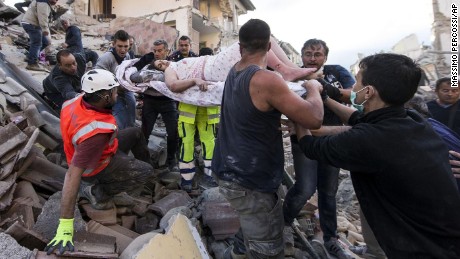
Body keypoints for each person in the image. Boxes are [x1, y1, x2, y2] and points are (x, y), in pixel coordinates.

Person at [292, 53, 460, 258]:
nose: (353, 87)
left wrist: (301, 113)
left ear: (369, 91)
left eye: (358, 81)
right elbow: (359, 119)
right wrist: (326, 97)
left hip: (425, 249)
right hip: (445, 236)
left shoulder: (369, 140)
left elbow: (310, 146)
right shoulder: (411, 118)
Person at [211, 19, 324, 259]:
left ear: (240, 48)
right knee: (268, 250)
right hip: (250, 182)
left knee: (249, 223)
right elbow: (314, 118)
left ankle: (238, 252)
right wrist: (313, 87)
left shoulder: (235, 71)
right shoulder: (267, 80)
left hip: (229, 172)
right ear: (270, 46)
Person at [44, 69, 154, 256]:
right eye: (114, 91)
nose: (116, 94)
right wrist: (65, 225)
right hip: (96, 166)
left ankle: (139, 180)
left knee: (135, 133)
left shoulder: (75, 101)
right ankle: (97, 191)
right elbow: (72, 175)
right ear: (104, 96)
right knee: (145, 171)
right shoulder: (95, 133)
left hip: (102, 149)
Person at [283, 38, 354, 259]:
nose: (312, 58)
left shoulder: (336, 71)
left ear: (325, 56)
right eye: (308, 54)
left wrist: (323, 85)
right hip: (304, 138)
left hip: (332, 138)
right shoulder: (294, 75)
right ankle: (282, 223)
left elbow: (351, 94)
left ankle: (330, 238)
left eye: (317, 54)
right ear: (301, 56)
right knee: (305, 188)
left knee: (328, 191)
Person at [132, 39, 179, 172]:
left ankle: (171, 161)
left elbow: (177, 80)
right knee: (145, 132)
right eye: (155, 51)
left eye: (160, 51)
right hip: (150, 101)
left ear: (166, 51)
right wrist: (153, 75)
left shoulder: (173, 66)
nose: (157, 54)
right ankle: (143, 161)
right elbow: (135, 76)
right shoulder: (149, 65)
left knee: (173, 132)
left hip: (168, 101)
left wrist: (153, 77)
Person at [95, 30, 135, 130]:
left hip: (125, 89)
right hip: (111, 92)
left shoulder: (127, 56)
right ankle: (121, 134)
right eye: (120, 46)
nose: (123, 50)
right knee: (119, 114)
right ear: (113, 44)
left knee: (132, 105)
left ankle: (131, 131)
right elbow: (97, 77)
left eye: (126, 46)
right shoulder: (106, 59)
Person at [21, 0, 58, 71]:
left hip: (33, 24)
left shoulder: (44, 2)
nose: (56, 1)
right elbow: (42, 17)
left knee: (45, 42)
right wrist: (45, 30)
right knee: (37, 43)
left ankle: (30, 56)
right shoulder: (43, 3)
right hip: (32, 24)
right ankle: (32, 63)